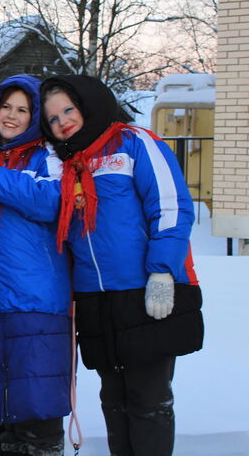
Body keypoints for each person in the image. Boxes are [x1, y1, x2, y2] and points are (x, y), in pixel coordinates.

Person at [39, 74, 204, 456]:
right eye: (52, 118)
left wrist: (162, 271)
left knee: (148, 400)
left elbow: (169, 206)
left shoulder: (134, 143)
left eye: (68, 109)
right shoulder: (68, 165)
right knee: (113, 400)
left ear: (88, 104)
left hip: (146, 291)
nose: (62, 121)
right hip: (96, 299)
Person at [0, 75, 71, 456]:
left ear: (35, 116)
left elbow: (52, 202)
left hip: (36, 304)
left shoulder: (49, 155)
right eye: (6, 107)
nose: (11, 116)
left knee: (37, 416)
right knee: (0, 416)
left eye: (22, 110)